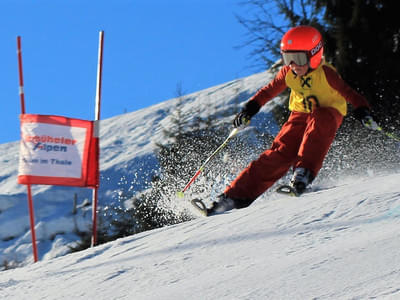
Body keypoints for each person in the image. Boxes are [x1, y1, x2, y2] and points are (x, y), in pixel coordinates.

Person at [206, 25, 378, 216]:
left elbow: (349, 93)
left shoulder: (326, 73)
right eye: (288, 58)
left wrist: (363, 111)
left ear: (314, 55)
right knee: (280, 152)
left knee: (317, 127)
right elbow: (268, 91)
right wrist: (249, 109)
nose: (294, 64)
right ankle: (233, 197)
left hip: (328, 113)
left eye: (299, 58)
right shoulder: (288, 73)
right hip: (300, 114)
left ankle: (302, 174)